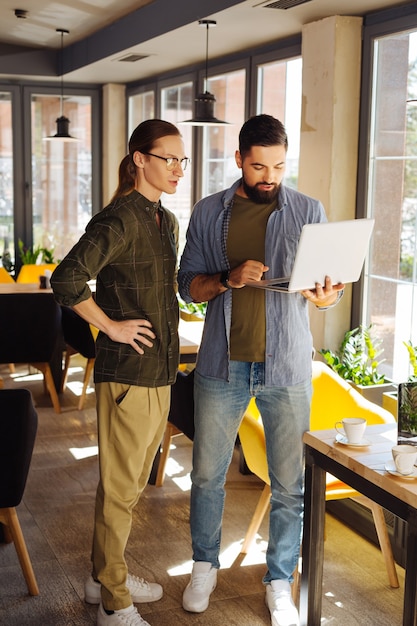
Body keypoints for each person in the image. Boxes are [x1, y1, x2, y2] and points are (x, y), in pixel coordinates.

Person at [178, 114, 344, 626]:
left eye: (278, 165)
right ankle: (204, 565)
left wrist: (326, 297)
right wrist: (227, 278)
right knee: (207, 476)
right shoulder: (209, 212)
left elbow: (325, 288)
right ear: (239, 161)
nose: (269, 175)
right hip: (221, 366)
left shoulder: (308, 210)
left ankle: (279, 580)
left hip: (288, 368)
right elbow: (188, 286)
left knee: (290, 485)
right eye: (258, 165)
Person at [51, 119, 189, 626]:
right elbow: (65, 279)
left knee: (126, 486)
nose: (177, 169)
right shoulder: (121, 219)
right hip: (130, 375)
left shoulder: (163, 221)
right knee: (121, 488)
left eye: (182, 160)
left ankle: (101, 575)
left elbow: (160, 289)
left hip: (159, 373)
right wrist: (110, 326)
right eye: (167, 158)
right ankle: (114, 600)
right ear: (139, 160)